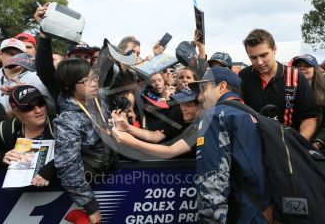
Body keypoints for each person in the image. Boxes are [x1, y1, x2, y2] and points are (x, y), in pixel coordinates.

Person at [112, 66, 271, 223]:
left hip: (240, 213)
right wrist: (128, 129)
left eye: (204, 89)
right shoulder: (250, 114)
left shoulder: (215, 116)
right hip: (259, 211)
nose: (201, 96)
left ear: (222, 87)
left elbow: (212, 183)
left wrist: (129, 141)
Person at [239, 29, 318, 140]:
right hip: (254, 144)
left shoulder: (295, 76)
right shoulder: (243, 76)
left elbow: (309, 118)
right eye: (253, 57)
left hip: (287, 144)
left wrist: (299, 143)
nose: (259, 62)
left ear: (274, 49)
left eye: (264, 55)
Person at [53, 58, 101, 224]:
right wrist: (90, 205)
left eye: (94, 77)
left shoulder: (97, 101)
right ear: (69, 86)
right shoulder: (67, 120)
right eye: (86, 81)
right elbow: (68, 166)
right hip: (93, 188)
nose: (94, 83)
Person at [0, 85, 54, 187]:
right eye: (29, 107)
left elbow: (75, 152)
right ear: (17, 111)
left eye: (41, 103)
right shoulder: (8, 129)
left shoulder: (59, 124)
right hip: (20, 196)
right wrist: (2, 157)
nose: (38, 110)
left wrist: (49, 170)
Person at [0, 49, 53, 115]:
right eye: (11, 54)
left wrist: (24, 93)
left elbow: (51, 108)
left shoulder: (38, 78)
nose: (16, 57)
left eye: (20, 54)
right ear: (0, 55)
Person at [292, 54, 325, 151]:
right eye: (298, 66)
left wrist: (317, 143)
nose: (302, 68)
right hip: (294, 144)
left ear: (315, 69)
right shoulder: (287, 91)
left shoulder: (323, 91)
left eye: (307, 65)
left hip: (317, 147)